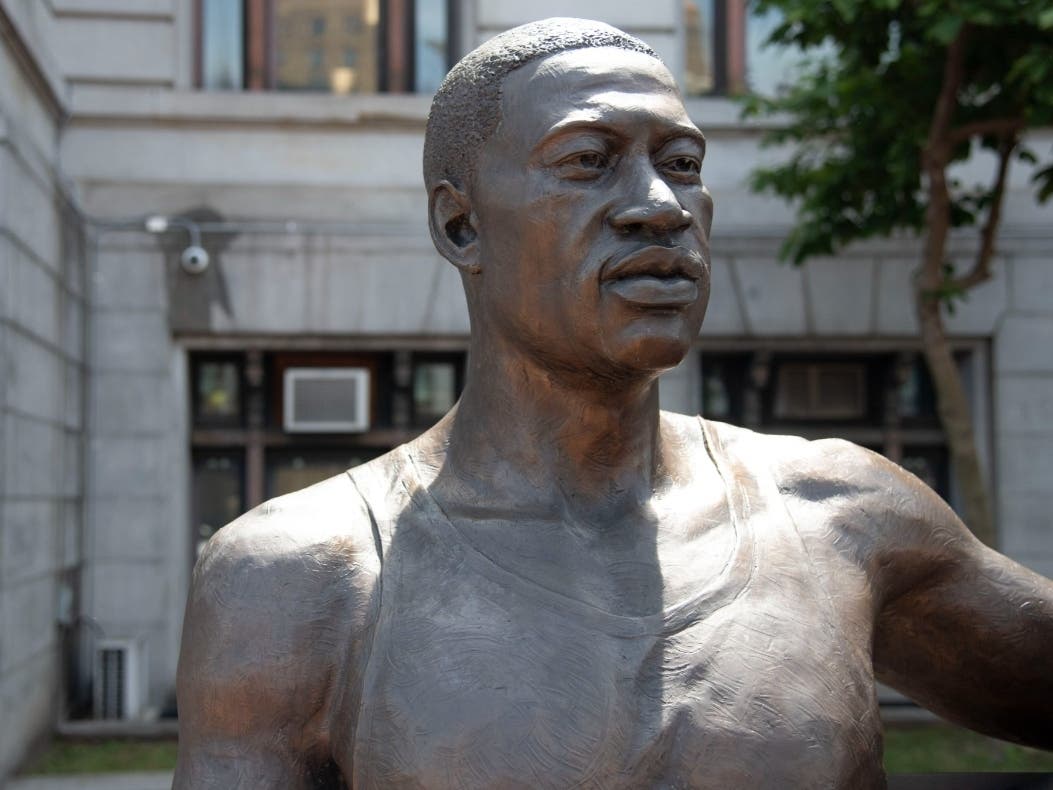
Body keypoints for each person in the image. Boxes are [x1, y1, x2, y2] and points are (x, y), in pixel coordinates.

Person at [173, 18, 1053, 789]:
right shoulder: (296, 579)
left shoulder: (839, 517)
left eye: (680, 164)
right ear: (460, 226)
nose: (658, 207)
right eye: (587, 163)